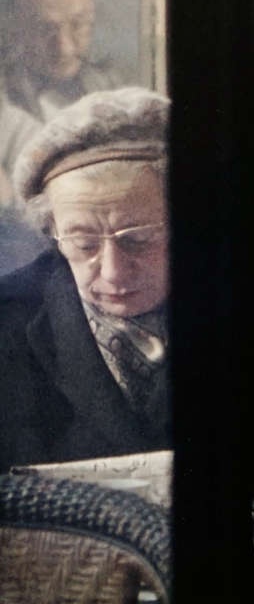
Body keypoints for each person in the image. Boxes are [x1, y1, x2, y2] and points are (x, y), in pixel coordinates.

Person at [0, 87, 169, 470]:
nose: (112, 272)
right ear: (53, 232)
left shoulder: (248, 307)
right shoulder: (9, 324)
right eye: (83, 244)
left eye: (138, 239)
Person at [1, 0, 126, 123]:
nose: (64, 48)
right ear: (13, 25)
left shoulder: (115, 87)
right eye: (45, 29)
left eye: (78, 24)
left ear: (92, 13)